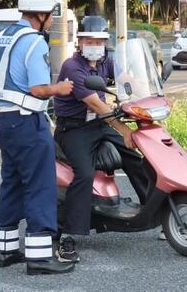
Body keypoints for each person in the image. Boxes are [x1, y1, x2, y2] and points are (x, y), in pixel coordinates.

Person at [0, 0, 74, 275]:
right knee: (40, 184)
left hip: (5, 121)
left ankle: (7, 250)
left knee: (11, 182)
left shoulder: (3, 37)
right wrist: (60, 88)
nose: (52, 19)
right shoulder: (35, 41)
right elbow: (38, 89)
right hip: (27, 121)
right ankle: (40, 257)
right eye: (51, 14)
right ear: (40, 14)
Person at [53, 17, 150, 263]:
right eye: (90, 40)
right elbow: (96, 104)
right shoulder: (72, 67)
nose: (95, 44)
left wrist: (149, 96)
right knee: (84, 173)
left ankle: (154, 209)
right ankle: (67, 237)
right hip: (74, 129)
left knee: (135, 157)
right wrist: (124, 130)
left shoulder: (106, 60)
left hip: (99, 124)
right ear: (80, 42)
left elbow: (127, 79)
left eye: (99, 41)